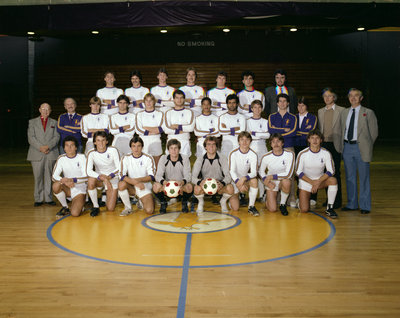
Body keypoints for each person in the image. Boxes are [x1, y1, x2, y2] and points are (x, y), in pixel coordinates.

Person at [339, 88, 378, 214]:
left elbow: (374, 132)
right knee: (350, 177)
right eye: (351, 95)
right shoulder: (344, 112)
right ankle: (352, 204)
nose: (353, 98)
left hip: (361, 147)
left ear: (361, 98)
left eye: (356, 96)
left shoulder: (368, 112)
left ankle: (365, 206)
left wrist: (366, 145)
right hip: (347, 147)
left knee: (364, 177)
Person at [296, 130, 338, 219]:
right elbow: (298, 172)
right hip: (306, 182)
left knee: (333, 180)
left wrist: (318, 182)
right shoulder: (302, 154)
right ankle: (301, 201)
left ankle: (329, 208)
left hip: (320, 181)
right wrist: (312, 182)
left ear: (321, 140)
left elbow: (331, 171)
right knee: (304, 210)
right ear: (308, 140)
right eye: (312, 138)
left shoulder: (326, 153)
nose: (315, 140)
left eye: (317, 138)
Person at [27, 103, 60, 206]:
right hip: (36, 153)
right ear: (39, 110)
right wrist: (40, 148)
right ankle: (38, 199)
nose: (45, 111)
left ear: (50, 111)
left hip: (50, 153)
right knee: (38, 177)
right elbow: (31, 137)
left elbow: (56, 137)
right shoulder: (32, 122)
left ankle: (49, 198)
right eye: (43, 109)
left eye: (48, 109)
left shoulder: (54, 122)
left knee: (49, 177)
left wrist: (48, 147)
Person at [268, 93, 297, 207]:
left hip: (289, 147)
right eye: (280, 101)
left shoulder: (293, 117)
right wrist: (284, 130)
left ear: (288, 103)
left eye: (285, 101)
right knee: (276, 172)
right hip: (275, 149)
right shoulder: (272, 116)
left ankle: (292, 198)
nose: (282, 103)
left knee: (290, 174)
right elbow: (271, 130)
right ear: (277, 103)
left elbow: (293, 132)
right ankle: (278, 197)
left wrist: (277, 130)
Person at [192, 136, 234, 214]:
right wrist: (200, 182)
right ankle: (201, 203)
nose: (211, 147)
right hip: (205, 185)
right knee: (196, 188)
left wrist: (222, 183)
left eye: (213, 144)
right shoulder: (200, 159)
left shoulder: (222, 158)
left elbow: (228, 176)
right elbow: (193, 177)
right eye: (208, 144)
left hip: (218, 185)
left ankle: (223, 202)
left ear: (216, 147)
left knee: (230, 188)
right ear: (205, 147)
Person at [317, 88, 344, 209]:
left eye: (329, 96)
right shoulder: (320, 111)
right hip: (324, 145)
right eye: (325, 96)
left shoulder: (341, 111)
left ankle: (337, 201)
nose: (327, 98)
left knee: (335, 172)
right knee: (325, 173)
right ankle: (329, 199)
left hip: (335, 144)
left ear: (334, 97)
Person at [153, 139, 193, 214]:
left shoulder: (185, 158)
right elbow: (158, 175)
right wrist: (164, 182)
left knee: (189, 187)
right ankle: (163, 203)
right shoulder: (163, 158)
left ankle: (184, 202)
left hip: (180, 187)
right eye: (171, 148)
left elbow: (188, 175)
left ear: (179, 149)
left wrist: (182, 182)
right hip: (167, 186)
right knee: (156, 186)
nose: (173, 150)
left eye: (176, 148)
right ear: (168, 150)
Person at [118, 136, 156, 216]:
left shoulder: (148, 157)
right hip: (132, 186)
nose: (136, 149)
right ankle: (128, 208)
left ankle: (141, 200)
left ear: (142, 147)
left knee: (149, 211)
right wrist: (135, 183)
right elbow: (121, 175)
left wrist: (137, 181)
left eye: (139, 146)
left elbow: (152, 176)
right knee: (121, 184)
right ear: (130, 147)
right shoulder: (125, 158)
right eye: (133, 146)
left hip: (144, 186)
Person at [258, 133, 294, 216]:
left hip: (282, 180)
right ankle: (268, 198)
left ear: (282, 143)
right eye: (273, 142)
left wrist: (271, 176)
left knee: (287, 182)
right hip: (272, 182)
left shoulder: (290, 154)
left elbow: (288, 174)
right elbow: (261, 171)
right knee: (272, 209)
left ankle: (282, 204)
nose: (276, 143)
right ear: (270, 144)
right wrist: (265, 181)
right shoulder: (266, 156)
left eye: (278, 141)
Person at [52, 136, 87, 218]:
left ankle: (80, 204)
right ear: (64, 148)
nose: (69, 148)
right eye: (67, 145)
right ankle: (65, 207)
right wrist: (65, 182)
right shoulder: (61, 158)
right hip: (68, 187)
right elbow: (54, 176)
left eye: (72, 145)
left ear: (76, 147)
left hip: (79, 189)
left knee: (75, 214)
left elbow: (86, 176)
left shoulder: (82, 157)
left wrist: (72, 180)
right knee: (56, 185)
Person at [86, 131, 120, 217]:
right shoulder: (91, 153)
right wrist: (103, 178)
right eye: (98, 140)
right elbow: (88, 171)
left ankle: (110, 193)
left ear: (107, 141)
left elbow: (119, 167)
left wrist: (109, 177)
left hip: (112, 178)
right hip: (101, 179)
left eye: (103, 140)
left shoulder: (113, 150)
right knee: (90, 181)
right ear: (94, 142)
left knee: (110, 208)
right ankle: (95, 206)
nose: (101, 143)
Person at [228, 131, 259, 216]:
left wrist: (243, 179)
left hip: (245, 180)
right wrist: (238, 182)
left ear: (250, 141)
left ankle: (251, 207)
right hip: (235, 180)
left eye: (247, 140)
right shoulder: (233, 153)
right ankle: (235, 196)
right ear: (238, 142)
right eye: (242, 140)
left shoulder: (253, 154)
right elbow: (231, 171)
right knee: (235, 208)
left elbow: (254, 172)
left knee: (254, 181)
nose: (244, 142)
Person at [295, 96, 318, 205]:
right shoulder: (293, 117)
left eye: (303, 105)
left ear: (307, 106)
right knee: (298, 172)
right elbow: (292, 132)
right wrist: (303, 132)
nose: (300, 107)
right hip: (296, 147)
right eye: (299, 105)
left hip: (308, 147)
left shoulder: (312, 117)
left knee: (311, 171)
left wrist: (298, 132)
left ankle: (313, 196)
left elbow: (311, 133)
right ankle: (299, 195)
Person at [246, 99, 270, 199]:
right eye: (255, 107)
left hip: (262, 147)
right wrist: (261, 134)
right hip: (251, 148)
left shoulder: (265, 121)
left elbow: (268, 135)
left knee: (261, 171)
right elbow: (248, 135)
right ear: (251, 109)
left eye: (259, 107)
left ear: (262, 109)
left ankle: (263, 194)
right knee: (252, 172)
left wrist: (255, 133)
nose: (257, 109)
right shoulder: (247, 121)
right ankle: (251, 194)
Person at [135, 93, 164, 168]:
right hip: (143, 140)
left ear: (154, 102)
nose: (148, 103)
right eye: (146, 101)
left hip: (156, 140)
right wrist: (153, 130)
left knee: (157, 162)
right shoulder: (139, 114)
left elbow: (160, 129)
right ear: (144, 102)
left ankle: (156, 178)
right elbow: (138, 129)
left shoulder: (160, 113)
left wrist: (146, 127)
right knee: (143, 162)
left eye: (150, 101)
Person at [162, 90, 195, 157]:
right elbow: (166, 129)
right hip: (171, 141)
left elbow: (191, 128)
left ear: (184, 99)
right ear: (173, 99)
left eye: (181, 98)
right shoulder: (168, 113)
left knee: (185, 165)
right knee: (170, 165)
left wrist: (176, 126)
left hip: (184, 141)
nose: (179, 100)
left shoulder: (189, 112)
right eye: (177, 98)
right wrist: (182, 129)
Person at [218, 94, 246, 158]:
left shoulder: (242, 117)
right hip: (226, 146)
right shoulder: (222, 117)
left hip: (238, 146)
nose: (231, 105)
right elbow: (221, 131)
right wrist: (236, 128)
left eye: (233, 103)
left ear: (237, 104)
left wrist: (227, 129)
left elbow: (241, 132)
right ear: (227, 104)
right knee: (225, 167)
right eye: (229, 103)